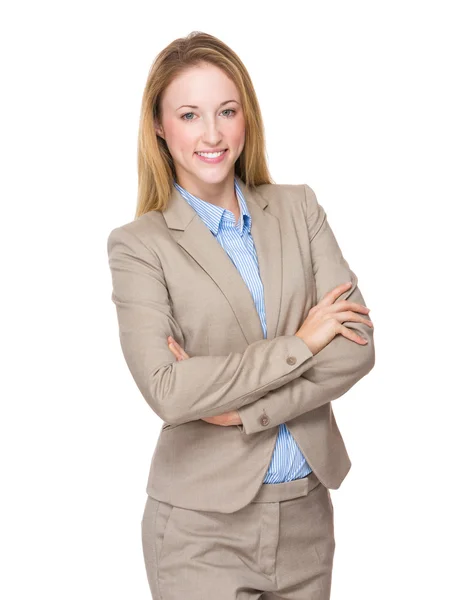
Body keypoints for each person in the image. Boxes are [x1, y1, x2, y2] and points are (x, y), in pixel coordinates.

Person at [107, 31, 375, 600]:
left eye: (227, 111)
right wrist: (302, 344)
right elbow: (169, 390)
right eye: (189, 114)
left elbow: (355, 347)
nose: (211, 134)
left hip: (306, 516)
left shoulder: (298, 208)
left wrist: (244, 410)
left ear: (245, 117)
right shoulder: (139, 245)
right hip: (198, 531)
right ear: (159, 125)